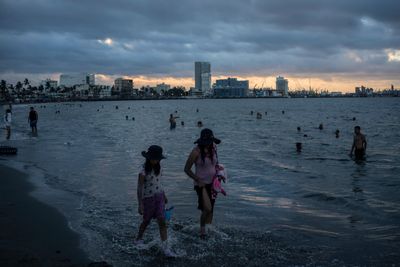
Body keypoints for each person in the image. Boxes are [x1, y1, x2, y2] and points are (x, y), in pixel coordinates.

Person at [135, 145, 175, 257]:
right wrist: (140, 204)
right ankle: (138, 238)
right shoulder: (142, 171)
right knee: (146, 221)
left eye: (158, 159)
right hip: (148, 199)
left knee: (162, 221)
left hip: (160, 197)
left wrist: (165, 195)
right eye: (154, 158)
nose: (156, 161)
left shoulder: (160, 168)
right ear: (148, 158)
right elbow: (139, 188)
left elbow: (160, 183)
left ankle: (166, 248)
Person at [184, 128, 221, 239]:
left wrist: (220, 174)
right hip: (201, 185)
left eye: (210, 142)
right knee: (207, 209)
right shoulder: (195, 152)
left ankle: (208, 228)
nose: (209, 144)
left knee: (211, 209)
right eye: (207, 142)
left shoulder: (214, 147)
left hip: (214, 182)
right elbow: (186, 169)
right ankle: (202, 230)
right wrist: (197, 180)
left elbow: (216, 164)